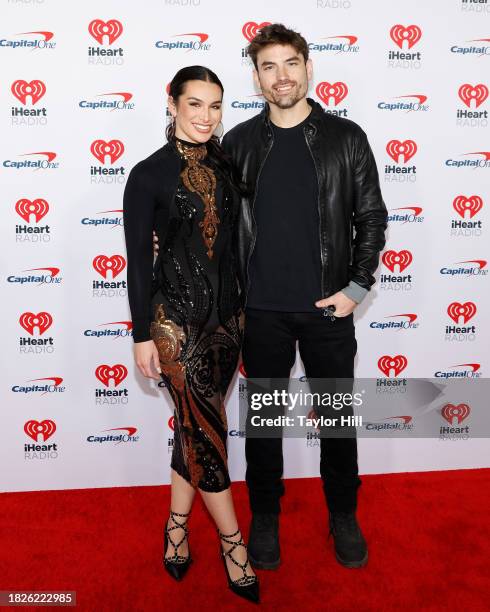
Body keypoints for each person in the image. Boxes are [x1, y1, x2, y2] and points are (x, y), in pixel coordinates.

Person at [153, 23, 388, 572]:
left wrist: (356, 288)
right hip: (258, 313)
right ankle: (264, 519)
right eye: (268, 66)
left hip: (329, 311)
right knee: (263, 427)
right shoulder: (236, 143)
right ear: (256, 77)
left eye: (290, 64)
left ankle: (344, 515)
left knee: (336, 422)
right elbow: (207, 214)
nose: (281, 76)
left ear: (308, 68)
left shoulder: (345, 138)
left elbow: (371, 216)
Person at [123, 65, 259, 604]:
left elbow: (237, 247)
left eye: (216, 106)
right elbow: (138, 264)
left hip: (229, 322)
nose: (207, 116)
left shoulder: (227, 166)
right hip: (174, 327)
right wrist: (140, 335)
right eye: (195, 104)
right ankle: (233, 545)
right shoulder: (147, 174)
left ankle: (176, 526)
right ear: (173, 104)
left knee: (193, 429)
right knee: (207, 435)